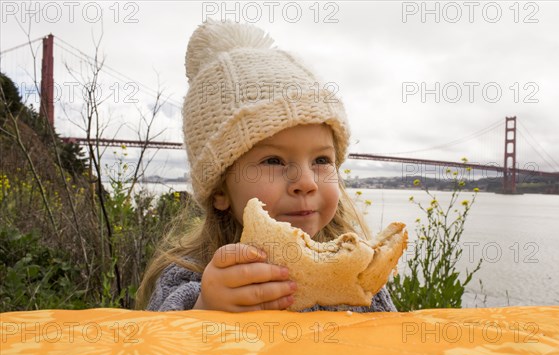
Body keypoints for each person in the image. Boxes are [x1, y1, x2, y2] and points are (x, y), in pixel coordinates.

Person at [135, 19, 397, 313]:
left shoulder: (358, 272)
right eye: (273, 161)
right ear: (220, 188)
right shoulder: (189, 277)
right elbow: (160, 347)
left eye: (322, 160)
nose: (307, 182)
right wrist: (205, 307)